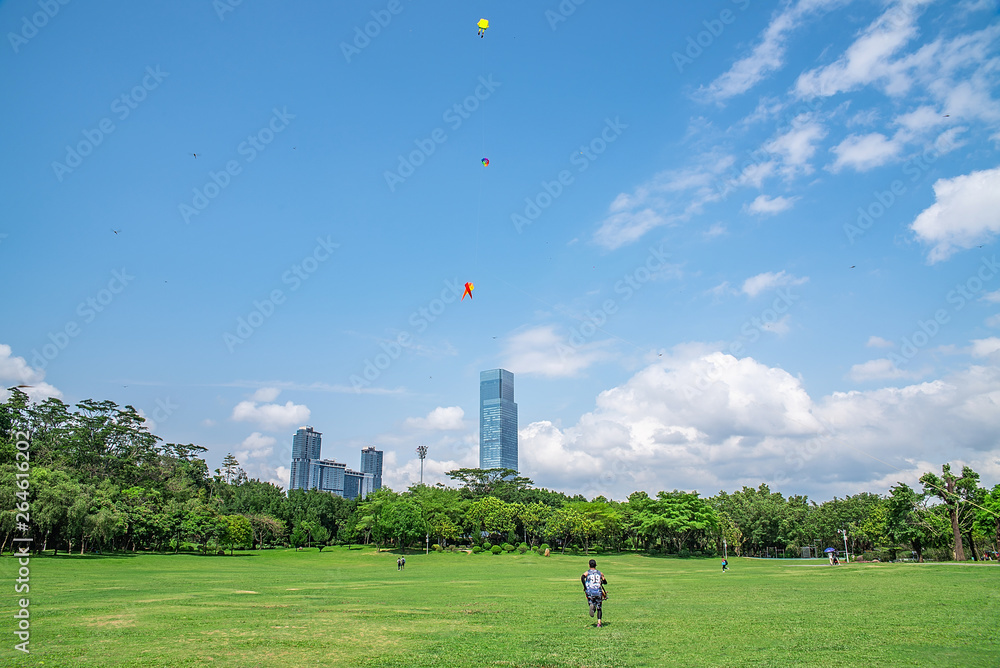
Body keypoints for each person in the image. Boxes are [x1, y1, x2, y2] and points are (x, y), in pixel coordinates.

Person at [581, 559, 608, 628]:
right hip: (598, 592)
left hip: (590, 591)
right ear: (596, 565)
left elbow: (582, 577)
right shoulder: (600, 573)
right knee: (599, 607)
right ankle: (599, 623)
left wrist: (585, 586)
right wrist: (601, 581)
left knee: (591, 602)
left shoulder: (588, 572)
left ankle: (592, 605)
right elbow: (605, 582)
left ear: (589, 565)